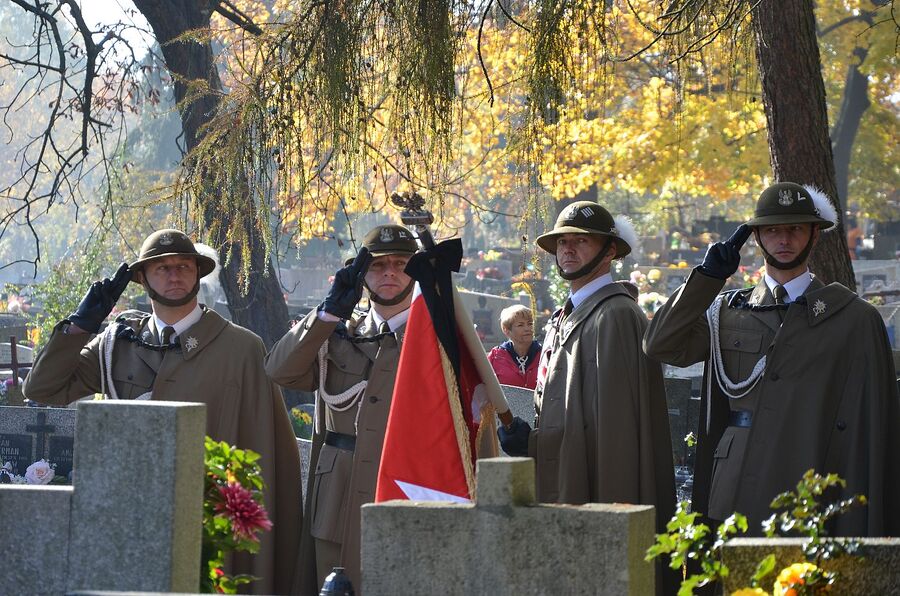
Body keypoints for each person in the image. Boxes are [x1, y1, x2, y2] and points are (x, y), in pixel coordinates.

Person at [22, 229, 302, 594]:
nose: (174, 275)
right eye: (162, 268)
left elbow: (267, 444)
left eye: (184, 266)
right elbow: (43, 389)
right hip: (131, 508)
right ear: (142, 279)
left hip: (209, 515)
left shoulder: (241, 347)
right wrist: (79, 327)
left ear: (198, 275)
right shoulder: (115, 344)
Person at [644, 182, 900, 537]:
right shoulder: (727, 311)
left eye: (795, 229)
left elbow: (871, 422)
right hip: (737, 482)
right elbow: (660, 344)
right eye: (772, 229)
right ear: (757, 237)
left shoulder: (851, 318)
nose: (784, 239)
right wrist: (707, 279)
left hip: (812, 474)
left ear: (814, 235)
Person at [497, 200, 675, 529]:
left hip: (598, 492)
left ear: (609, 252)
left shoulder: (616, 316)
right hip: (567, 482)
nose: (568, 249)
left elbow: (614, 435)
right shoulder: (569, 315)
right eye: (563, 242)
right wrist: (532, 443)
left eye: (581, 241)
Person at [265, 224, 417, 594]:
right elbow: (279, 369)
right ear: (362, 274)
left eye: (400, 264)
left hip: (403, 483)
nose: (390, 273)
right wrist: (327, 314)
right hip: (338, 493)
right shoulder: (336, 332)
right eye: (379, 266)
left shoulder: (432, 338)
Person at [487, 304, 541, 389]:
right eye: (520, 325)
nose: (527, 328)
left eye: (530, 324)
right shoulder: (495, 357)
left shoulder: (545, 355)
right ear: (506, 330)